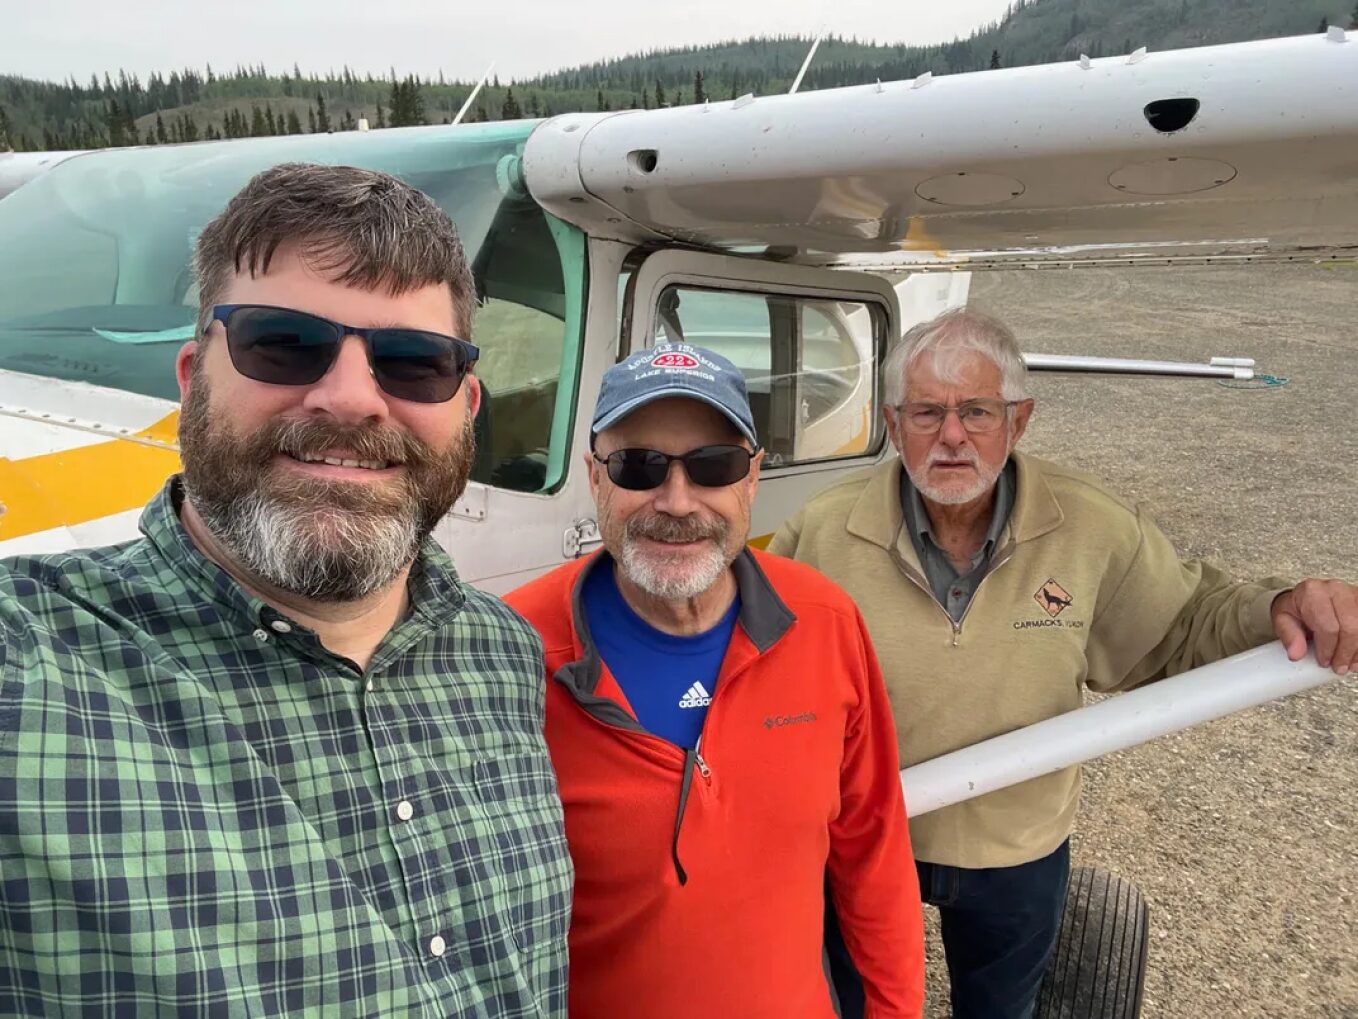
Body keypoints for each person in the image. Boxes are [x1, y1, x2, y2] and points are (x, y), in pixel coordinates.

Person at [0, 164, 571, 1017]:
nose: (349, 399)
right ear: (192, 377)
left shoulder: (504, 650)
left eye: (414, 364)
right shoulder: (30, 661)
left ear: (467, 407)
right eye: (282, 343)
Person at [769, 308, 1358, 1019]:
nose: (951, 435)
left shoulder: (1094, 526)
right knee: (851, 1001)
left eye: (976, 411)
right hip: (862, 837)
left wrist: (1281, 608)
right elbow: (752, 666)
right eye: (926, 412)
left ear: (1018, 420)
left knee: (1001, 1007)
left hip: (1017, 844)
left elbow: (1182, 624)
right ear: (893, 426)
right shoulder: (821, 531)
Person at [504, 343, 926, 1018]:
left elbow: (874, 848)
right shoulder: (510, 648)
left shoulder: (824, 621)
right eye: (638, 465)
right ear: (594, 476)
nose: (676, 501)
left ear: (752, 478)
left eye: (714, 466)